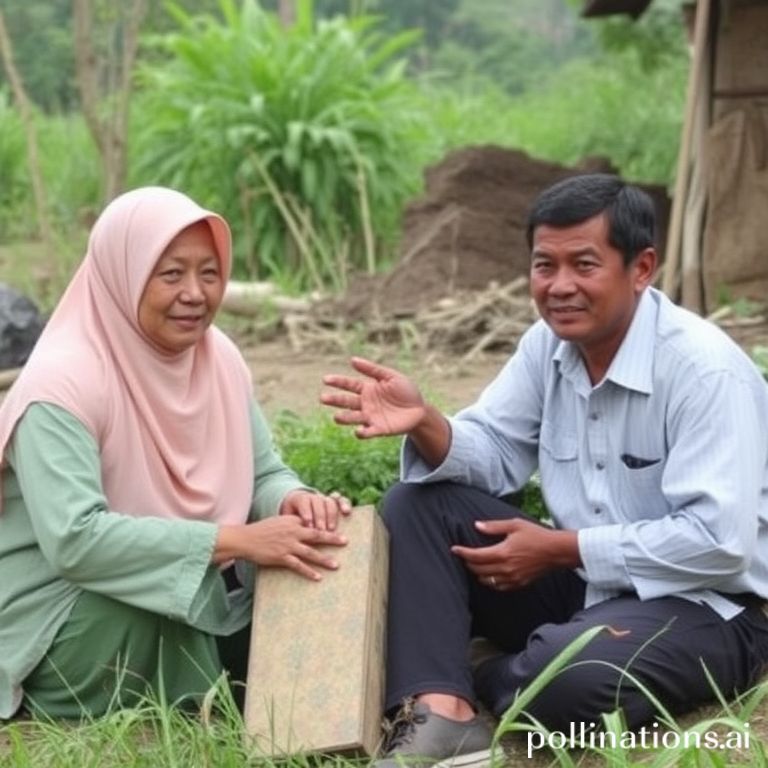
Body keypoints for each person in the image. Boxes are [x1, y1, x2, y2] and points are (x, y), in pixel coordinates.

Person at [321, 174, 768, 767]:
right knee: (419, 504)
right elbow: (495, 451)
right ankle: (444, 713)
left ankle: (489, 667)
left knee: (575, 680)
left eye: (584, 265)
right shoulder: (547, 347)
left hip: (708, 604)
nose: (559, 287)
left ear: (642, 268)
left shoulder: (704, 372)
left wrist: (560, 548)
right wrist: (426, 420)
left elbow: (719, 544)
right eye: (543, 266)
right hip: (588, 587)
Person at [0, 186, 351, 720]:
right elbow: (77, 541)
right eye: (170, 275)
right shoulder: (61, 387)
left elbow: (263, 472)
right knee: (160, 606)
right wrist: (237, 540)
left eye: (209, 274)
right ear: (124, 276)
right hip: (66, 610)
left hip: (191, 580)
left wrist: (292, 501)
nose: (195, 294)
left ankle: (308, 708)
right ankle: (244, 709)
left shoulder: (217, 359)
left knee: (315, 562)